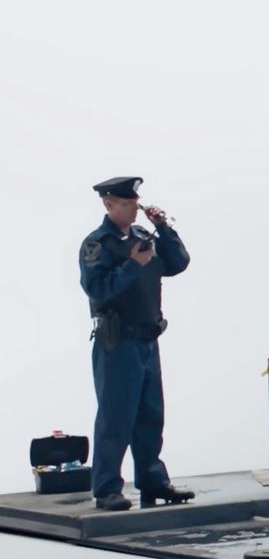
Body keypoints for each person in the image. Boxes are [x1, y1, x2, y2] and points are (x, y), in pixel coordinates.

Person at [79, 177, 194, 511]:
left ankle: (153, 481)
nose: (134, 208)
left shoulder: (145, 237)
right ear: (109, 204)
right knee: (116, 416)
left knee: (150, 415)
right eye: (127, 203)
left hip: (147, 339)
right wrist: (132, 265)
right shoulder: (98, 244)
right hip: (117, 341)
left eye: (136, 202)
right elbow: (98, 289)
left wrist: (164, 229)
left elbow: (178, 264)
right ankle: (107, 489)